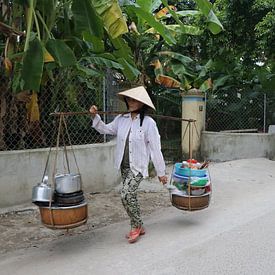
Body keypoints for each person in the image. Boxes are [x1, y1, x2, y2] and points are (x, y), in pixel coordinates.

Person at [89, 86, 168, 243]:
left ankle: (136, 226)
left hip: (137, 166)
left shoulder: (148, 123)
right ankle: (139, 224)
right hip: (124, 165)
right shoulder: (121, 119)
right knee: (128, 197)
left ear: (142, 103)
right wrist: (95, 116)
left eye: (135, 100)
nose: (131, 102)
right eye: (129, 99)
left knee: (126, 194)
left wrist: (161, 172)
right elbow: (105, 129)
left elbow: (155, 149)